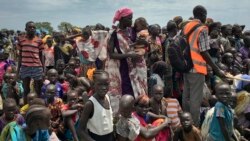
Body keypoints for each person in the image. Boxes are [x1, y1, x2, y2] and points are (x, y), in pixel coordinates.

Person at [182, 5, 226, 126]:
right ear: (202, 14)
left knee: (186, 98)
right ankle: (194, 127)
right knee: (195, 101)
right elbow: (203, 51)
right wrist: (217, 69)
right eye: (205, 14)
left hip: (186, 67)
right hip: (197, 68)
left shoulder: (186, 26)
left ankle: (185, 124)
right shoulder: (202, 28)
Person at [77, 70, 114, 141]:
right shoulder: (90, 104)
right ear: (93, 85)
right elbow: (80, 130)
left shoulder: (107, 97)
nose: (104, 87)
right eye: (100, 84)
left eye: (106, 84)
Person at [17, 21, 44, 104]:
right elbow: (20, 56)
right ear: (26, 29)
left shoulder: (39, 41)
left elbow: (41, 56)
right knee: (26, 89)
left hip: (37, 67)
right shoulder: (21, 41)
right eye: (30, 27)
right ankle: (25, 107)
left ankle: (37, 106)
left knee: (37, 89)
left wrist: (43, 69)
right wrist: (18, 70)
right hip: (25, 67)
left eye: (34, 27)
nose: (32, 29)